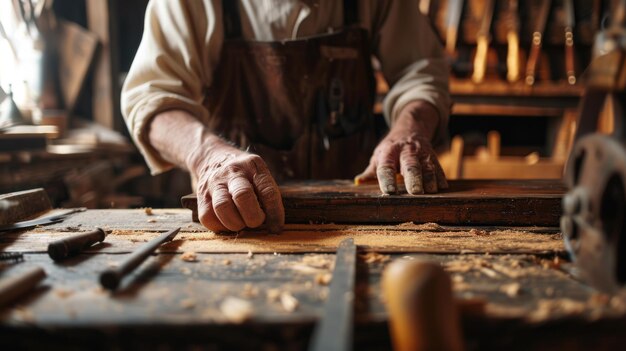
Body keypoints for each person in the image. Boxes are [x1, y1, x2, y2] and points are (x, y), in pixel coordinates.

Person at [121, 0, 451, 233]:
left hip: (362, 219)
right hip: (236, 224)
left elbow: (419, 71)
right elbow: (151, 97)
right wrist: (207, 155)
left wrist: (411, 128)